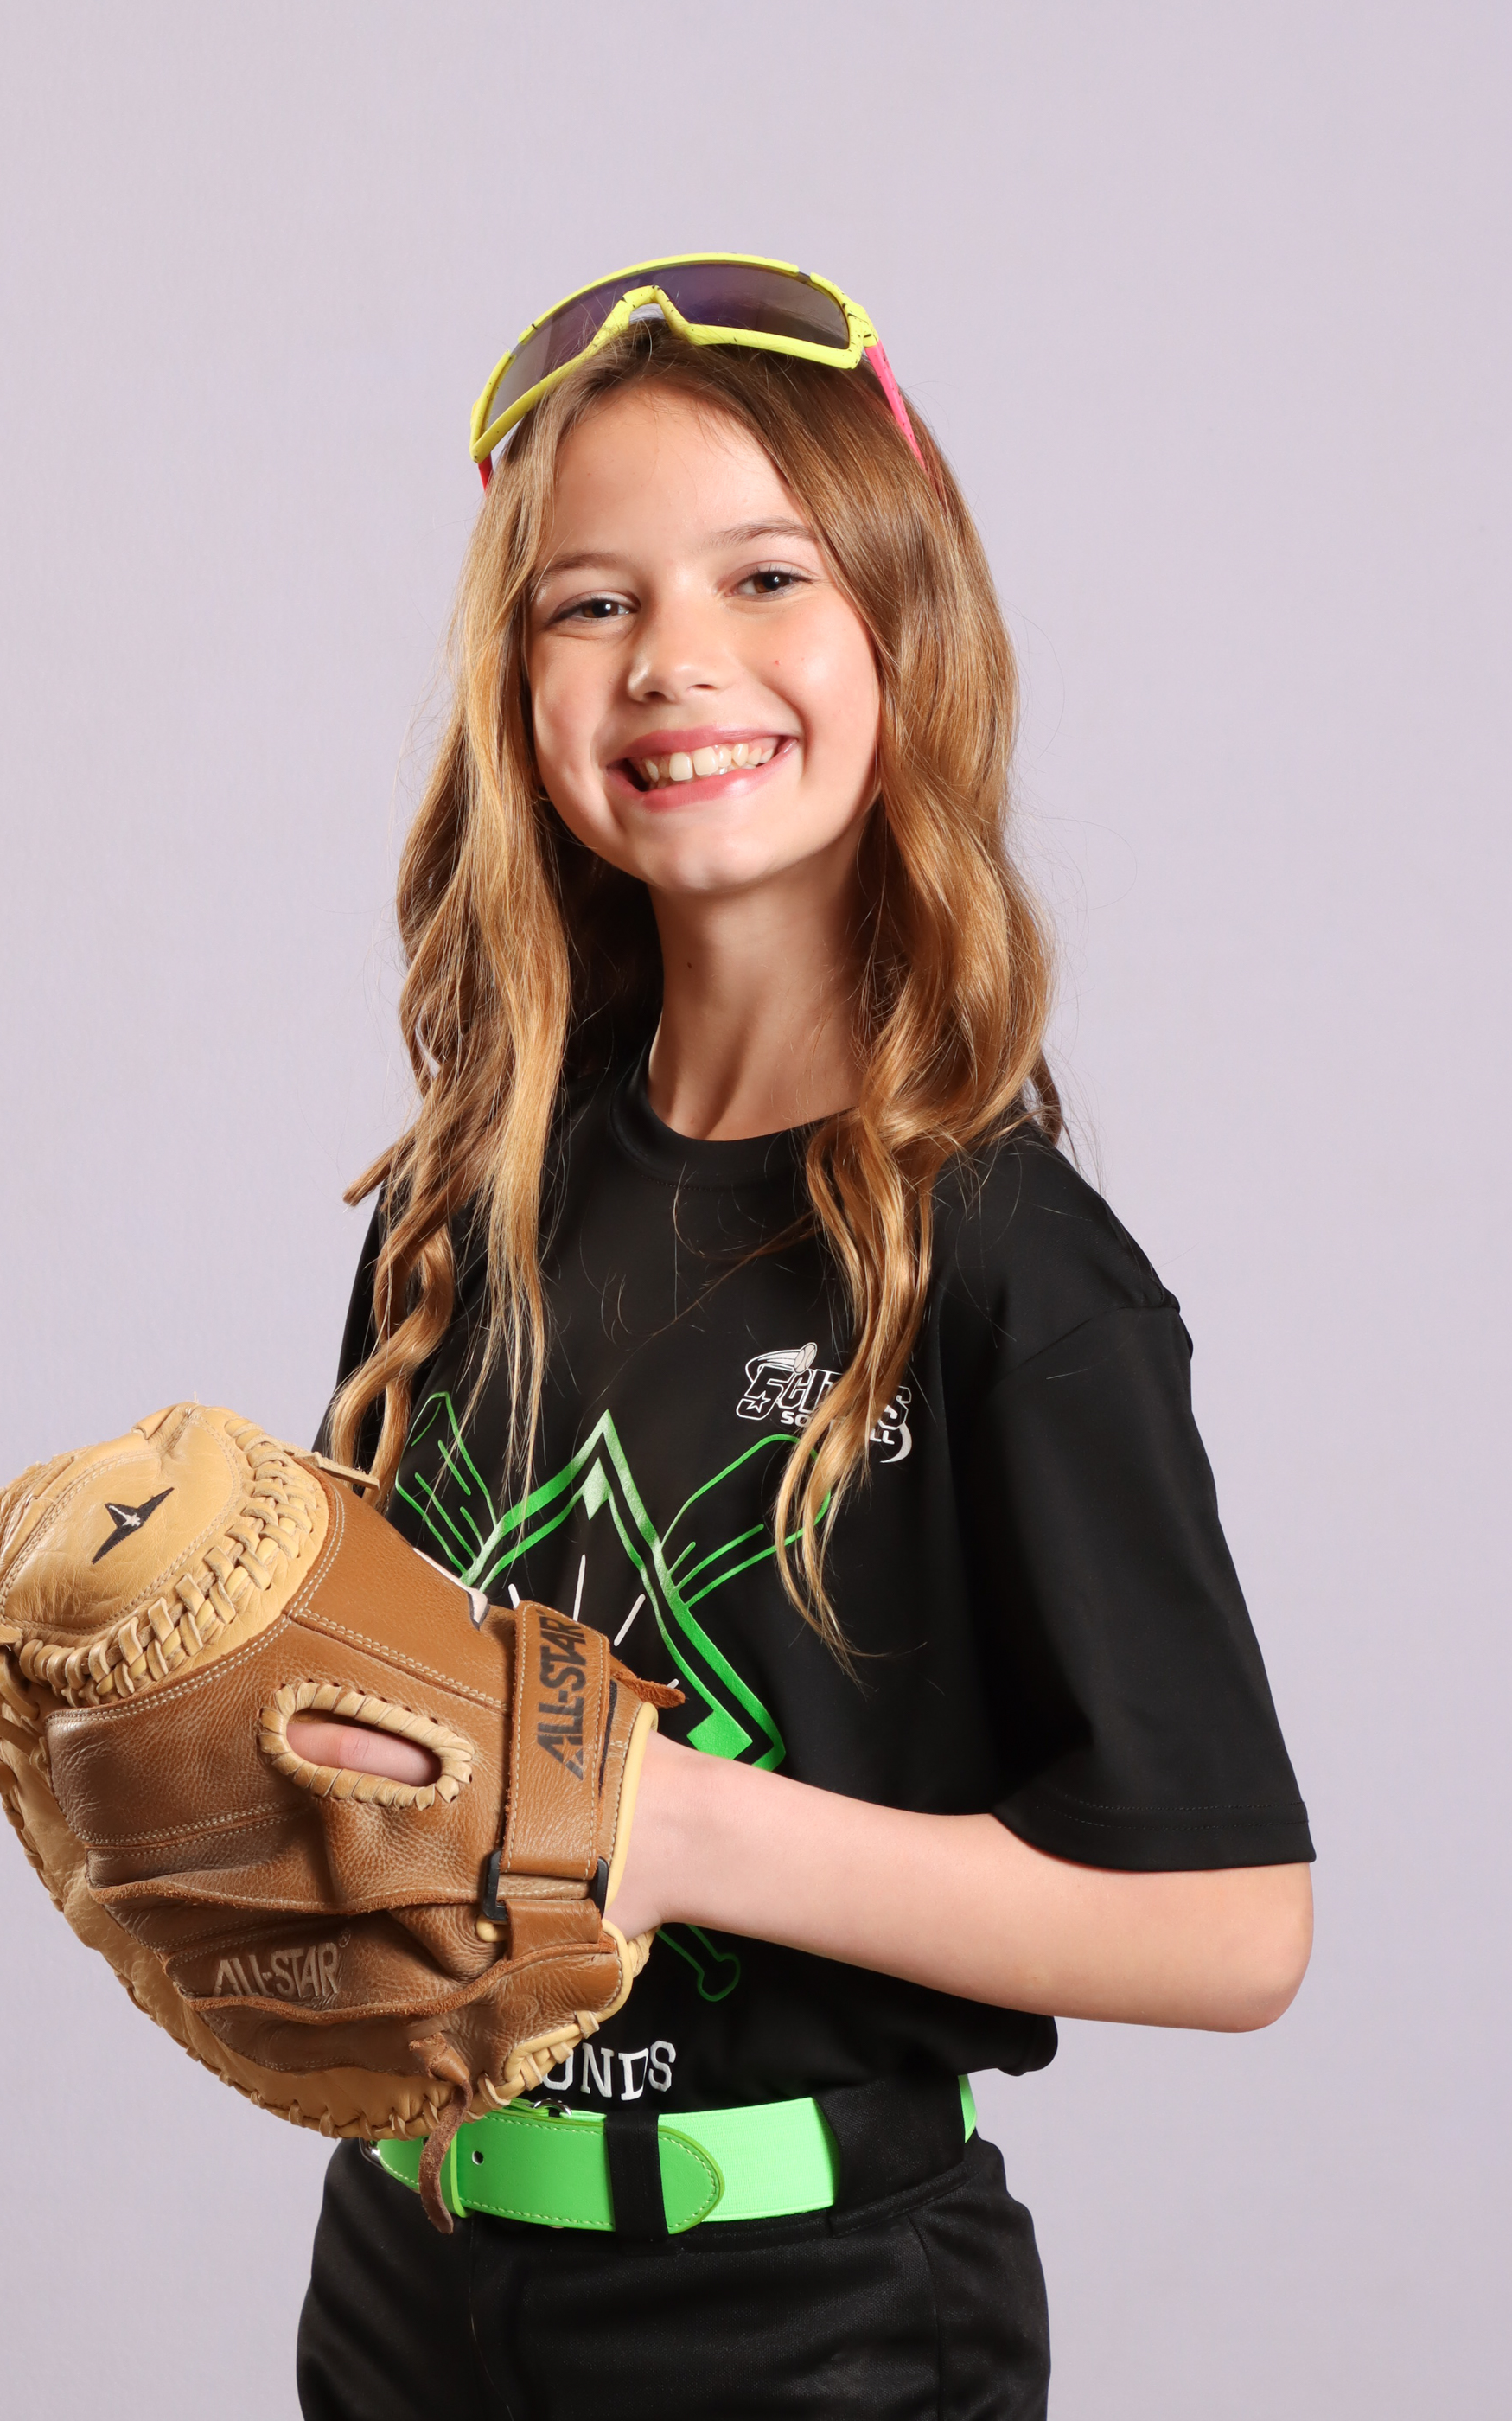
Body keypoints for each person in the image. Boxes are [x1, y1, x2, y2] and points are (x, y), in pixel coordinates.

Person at [290, 255, 1314, 2420]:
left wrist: (660, 1822)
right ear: (517, 685)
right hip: (410, 2276)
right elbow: (383, 1730)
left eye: (764, 575)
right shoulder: (459, 1207)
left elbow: (1232, 1920)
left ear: (900, 630)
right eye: (588, 602)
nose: (675, 656)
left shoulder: (1006, 1260)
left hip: (809, 2321)